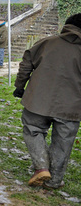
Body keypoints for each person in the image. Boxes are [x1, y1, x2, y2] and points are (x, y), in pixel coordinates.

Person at [13, 13, 81, 189]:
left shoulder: (46, 43)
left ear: (66, 26)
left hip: (38, 100)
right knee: (63, 142)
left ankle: (41, 167)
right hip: (72, 106)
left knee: (33, 130)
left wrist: (20, 86)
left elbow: (26, 64)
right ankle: (54, 180)